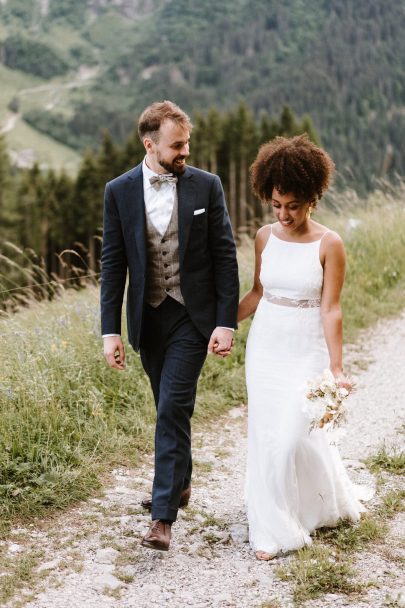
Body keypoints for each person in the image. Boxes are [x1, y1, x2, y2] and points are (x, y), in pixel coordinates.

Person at [100, 100, 239, 551]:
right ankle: (179, 482)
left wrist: (225, 323)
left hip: (191, 318)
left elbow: (225, 257)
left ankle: (163, 518)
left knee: (171, 409)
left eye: (187, 143)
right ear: (150, 144)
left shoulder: (207, 186)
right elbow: (113, 263)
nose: (185, 152)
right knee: (169, 405)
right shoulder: (118, 191)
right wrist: (110, 331)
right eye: (177, 145)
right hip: (148, 320)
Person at [238, 135, 372, 561]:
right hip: (266, 344)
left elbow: (331, 309)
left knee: (296, 435)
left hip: (307, 347)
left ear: (312, 198)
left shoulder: (330, 244)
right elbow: (257, 293)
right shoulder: (264, 237)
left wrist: (336, 366)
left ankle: (314, 501)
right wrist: (219, 324)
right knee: (268, 435)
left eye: (292, 205)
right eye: (276, 205)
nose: (284, 214)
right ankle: (272, 524)